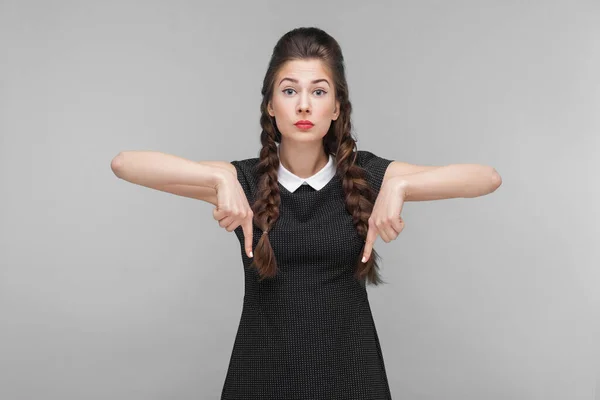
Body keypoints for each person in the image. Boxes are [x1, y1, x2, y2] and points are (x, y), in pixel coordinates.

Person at [111, 26, 501, 400]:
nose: (303, 104)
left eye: (318, 91)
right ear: (270, 104)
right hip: (260, 379)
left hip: (353, 379)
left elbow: (487, 178)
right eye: (289, 90)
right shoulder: (244, 181)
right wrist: (217, 176)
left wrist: (400, 185)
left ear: (336, 108)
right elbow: (125, 163)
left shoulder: (365, 175)